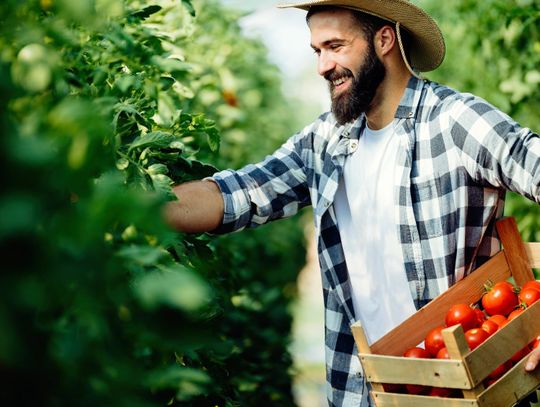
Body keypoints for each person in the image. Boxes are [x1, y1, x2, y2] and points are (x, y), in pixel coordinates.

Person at [164, 0, 540, 405]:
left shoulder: (454, 122)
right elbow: (236, 195)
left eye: (335, 46)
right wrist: (132, 206)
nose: (323, 66)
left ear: (384, 40)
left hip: (464, 388)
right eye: (317, 51)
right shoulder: (326, 142)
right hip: (360, 391)